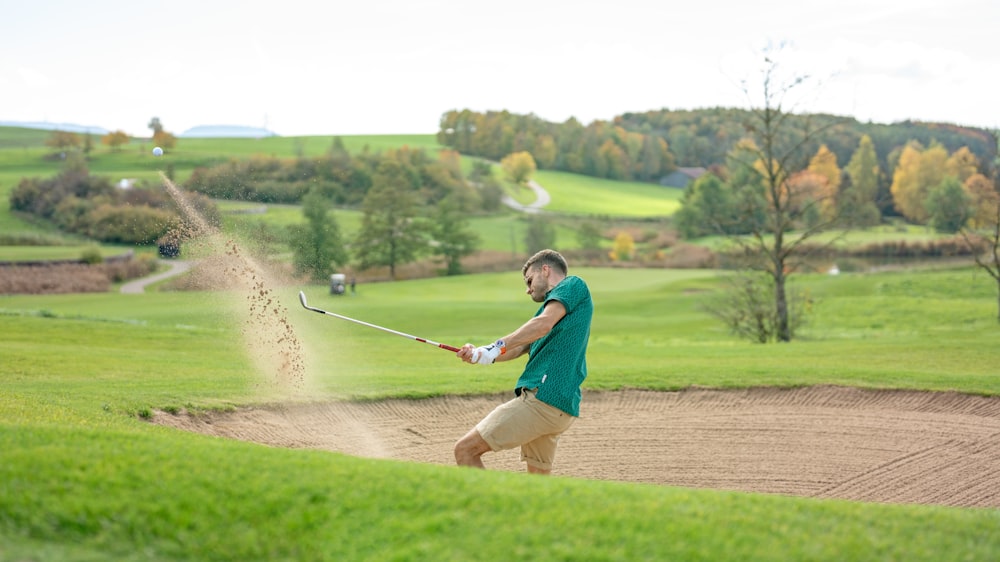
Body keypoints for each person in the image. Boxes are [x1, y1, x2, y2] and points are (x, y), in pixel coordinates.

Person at [454, 249, 593, 475]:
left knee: (465, 451)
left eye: (529, 280)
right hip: (558, 407)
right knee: (537, 482)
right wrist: (480, 354)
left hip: (542, 399)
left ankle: (493, 511)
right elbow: (517, 347)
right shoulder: (549, 311)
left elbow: (542, 324)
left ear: (545, 270)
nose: (528, 289)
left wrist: (495, 347)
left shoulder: (572, 285)